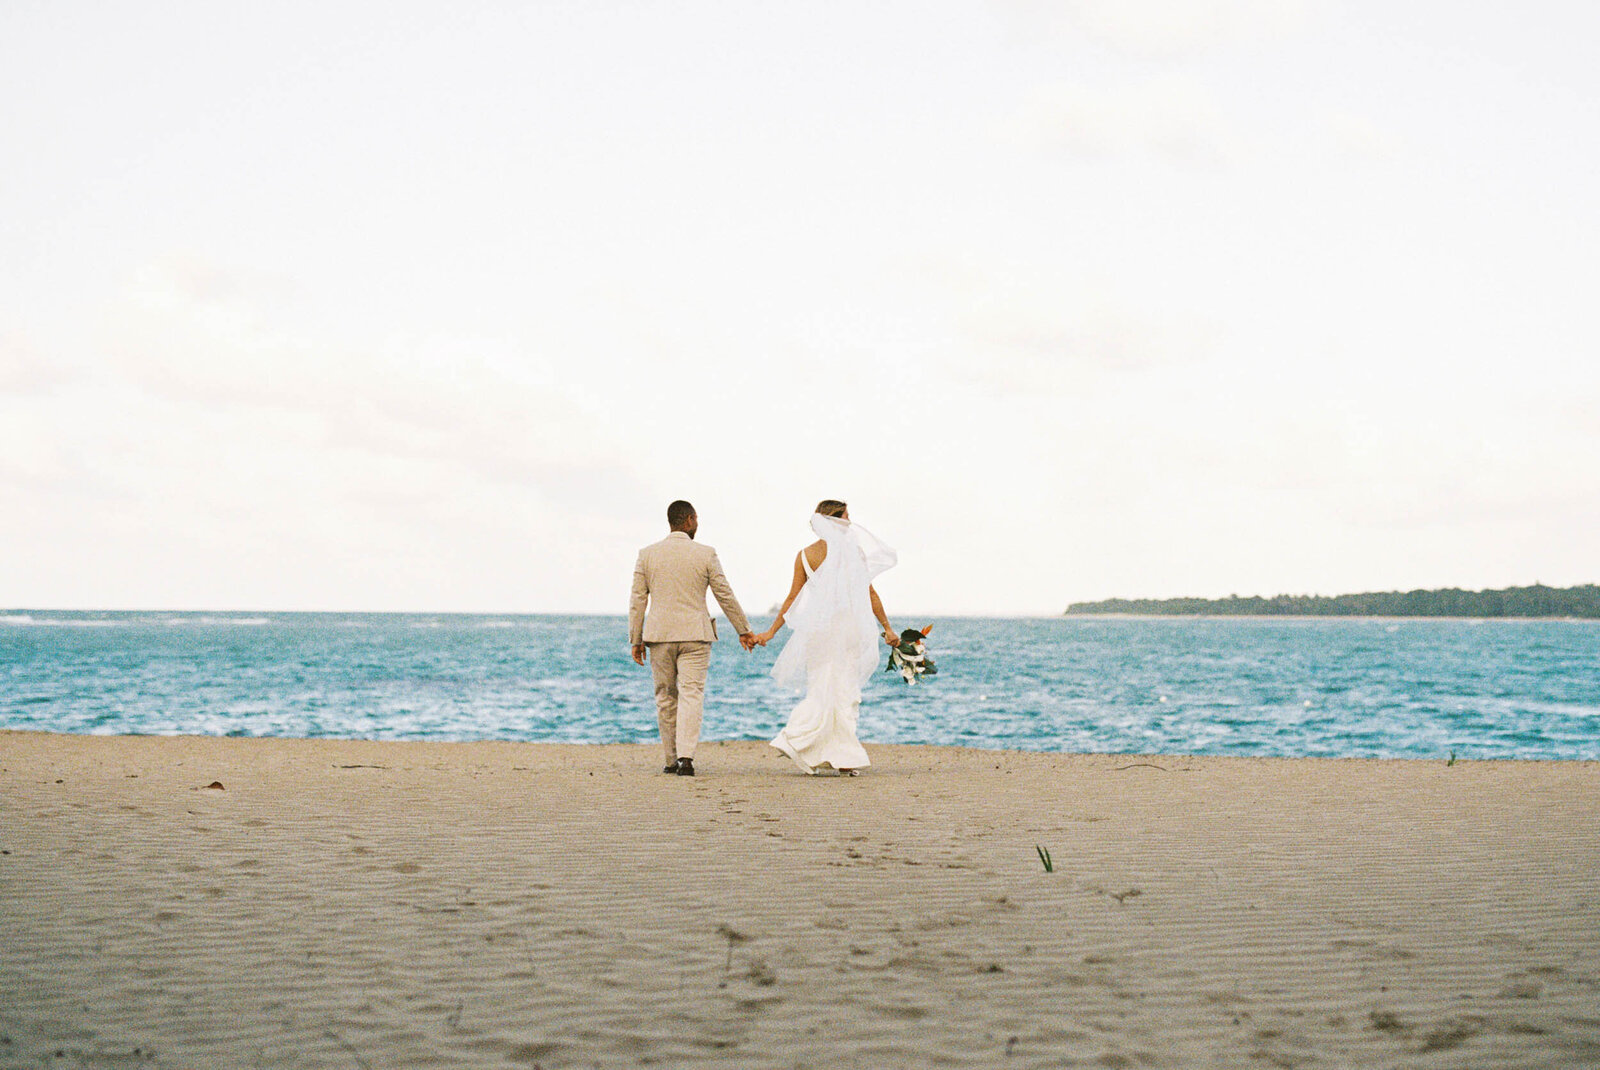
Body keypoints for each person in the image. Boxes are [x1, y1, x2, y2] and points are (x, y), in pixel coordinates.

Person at [753, 500, 899, 775]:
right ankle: (805, 743)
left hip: (818, 632)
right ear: (836, 521)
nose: (850, 522)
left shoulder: (805, 555)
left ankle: (826, 752)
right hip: (845, 630)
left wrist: (771, 632)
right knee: (844, 692)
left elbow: (792, 598)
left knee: (821, 689)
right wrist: (887, 628)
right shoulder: (853, 553)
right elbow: (869, 594)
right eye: (846, 516)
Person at [629, 500, 756, 777]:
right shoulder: (706, 553)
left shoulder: (647, 555)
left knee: (665, 696)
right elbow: (724, 593)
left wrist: (635, 639)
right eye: (696, 519)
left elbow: (638, 599)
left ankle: (670, 759)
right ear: (689, 520)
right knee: (692, 694)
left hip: (660, 636)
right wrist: (743, 629)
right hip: (695, 636)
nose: (697, 524)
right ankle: (686, 758)